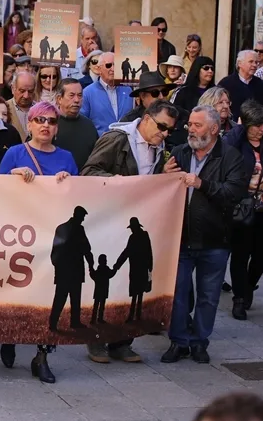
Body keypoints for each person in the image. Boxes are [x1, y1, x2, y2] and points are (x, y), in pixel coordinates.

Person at [80, 99, 179, 363]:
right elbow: (89, 171)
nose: (165, 133)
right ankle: (96, 341)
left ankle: (122, 342)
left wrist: (163, 174)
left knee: (130, 285)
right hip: (110, 220)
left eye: (169, 130)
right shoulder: (117, 139)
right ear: (146, 119)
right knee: (107, 285)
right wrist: (118, 183)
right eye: (161, 126)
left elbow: (150, 184)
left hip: (139, 223)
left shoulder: (161, 147)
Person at [161, 105, 248, 364]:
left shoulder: (231, 157)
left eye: (197, 125)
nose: (190, 129)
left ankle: (199, 342)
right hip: (182, 238)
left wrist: (202, 184)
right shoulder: (180, 152)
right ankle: (178, 342)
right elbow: (159, 188)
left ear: (213, 129)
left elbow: (233, 193)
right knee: (178, 294)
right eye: (190, 123)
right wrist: (163, 175)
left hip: (215, 239)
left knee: (209, 296)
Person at [0, 101, 76, 380]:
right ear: (29, 124)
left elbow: (76, 200)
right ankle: (10, 335)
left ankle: (42, 355)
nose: (45, 125)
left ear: (57, 128)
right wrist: (13, 175)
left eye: (52, 121)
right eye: (40, 120)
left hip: (53, 239)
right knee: (17, 291)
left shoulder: (67, 157)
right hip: (19, 236)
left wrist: (68, 182)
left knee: (48, 295)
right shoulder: (16, 153)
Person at [222, 100, 263, 319]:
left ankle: (249, 286)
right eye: (256, 125)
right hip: (242, 208)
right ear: (246, 125)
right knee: (240, 254)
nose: (261, 129)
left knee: (262, 255)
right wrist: (239, 128)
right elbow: (226, 147)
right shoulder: (236, 142)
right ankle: (239, 298)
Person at [81, 52, 133, 135]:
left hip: (126, 143)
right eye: (108, 65)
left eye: (115, 65)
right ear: (99, 69)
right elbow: (83, 122)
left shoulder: (128, 90)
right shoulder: (88, 92)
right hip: (101, 144)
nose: (113, 69)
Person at [53, 78, 99, 171]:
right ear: (59, 99)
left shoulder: (89, 125)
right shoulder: (50, 124)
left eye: (80, 95)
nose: (77, 100)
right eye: (71, 95)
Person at [218, 50, 263, 120]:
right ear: (239, 63)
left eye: (256, 62)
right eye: (251, 62)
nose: (254, 65)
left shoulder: (260, 84)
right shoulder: (226, 83)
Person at [6, 69, 35, 141]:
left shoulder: (41, 110)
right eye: (22, 91)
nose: (26, 96)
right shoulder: (4, 108)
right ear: (13, 89)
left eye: (30, 91)